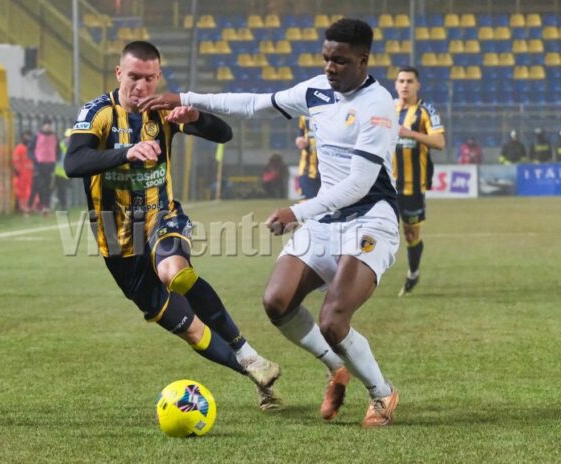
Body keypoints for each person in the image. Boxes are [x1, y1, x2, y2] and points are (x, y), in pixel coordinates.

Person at [140, 18, 401, 427]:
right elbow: (254, 103)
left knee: (334, 320)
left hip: (370, 219)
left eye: (340, 61)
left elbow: (359, 183)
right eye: (326, 59)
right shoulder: (316, 90)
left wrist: (297, 212)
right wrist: (185, 97)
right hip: (324, 219)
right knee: (276, 303)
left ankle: (382, 394)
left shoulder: (379, 106)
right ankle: (337, 368)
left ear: (363, 60)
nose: (330, 68)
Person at [64, 40, 282, 410]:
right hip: (118, 243)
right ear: (119, 73)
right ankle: (255, 374)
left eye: (149, 78)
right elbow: (73, 163)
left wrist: (195, 118)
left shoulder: (164, 111)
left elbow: (223, 133)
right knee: (191, 330)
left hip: (161, 216)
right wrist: (126, 153)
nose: (141, 86)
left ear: (158, 76)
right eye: (134, 76)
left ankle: (246, 351)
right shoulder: (98, 113)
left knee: (175, 273)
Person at [392, 66, 445, 296]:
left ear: (417, 85)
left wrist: (410, 133)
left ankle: (413, 273)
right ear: (395, 84)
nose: (405, 85)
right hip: (385, 186)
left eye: (409, 81)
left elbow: (440, 142)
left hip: (413, 186)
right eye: (401, 81)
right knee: (375, 230)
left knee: (410, 235)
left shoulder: (426, 110)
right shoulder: (386, 109)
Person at [28, 120, 60, 213]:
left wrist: (55, 158)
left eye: (49, 125)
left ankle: (46, 206)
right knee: (39, 185)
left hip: (50, 165)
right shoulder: (36, 136)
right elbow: (30, 149)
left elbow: (58, 149)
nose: (48, 127)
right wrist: (34, 158)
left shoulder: (55, 137)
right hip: (39, 165)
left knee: (48, 186)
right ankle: (37, 205)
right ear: (42, 126)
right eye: (46, 125)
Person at [296, 116, 321, 199]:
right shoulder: (304, 116)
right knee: (308, 201)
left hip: (326, 168)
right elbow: (301, 136)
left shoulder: (331, 112)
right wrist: (300, 141)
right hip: (307, 168)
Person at [12, 130, 34, 213]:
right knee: (22, 191)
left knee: (30, 190)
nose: (28, 138)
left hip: (30, 173)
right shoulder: (19, 148)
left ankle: (30, 206)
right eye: (26, 136)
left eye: (29, 136)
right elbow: (15, 160)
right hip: (22, 174)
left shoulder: (30, 148)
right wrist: (17, 170)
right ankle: (22, 207)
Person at [54, 129, 71, 210]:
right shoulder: (60, 146)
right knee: (60, 190)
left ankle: (63, 205)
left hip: (66, 173)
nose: (69, 139)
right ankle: (61, 205)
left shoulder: (73, 148)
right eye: (68, 137)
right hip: (57, 173)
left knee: (63, 191)